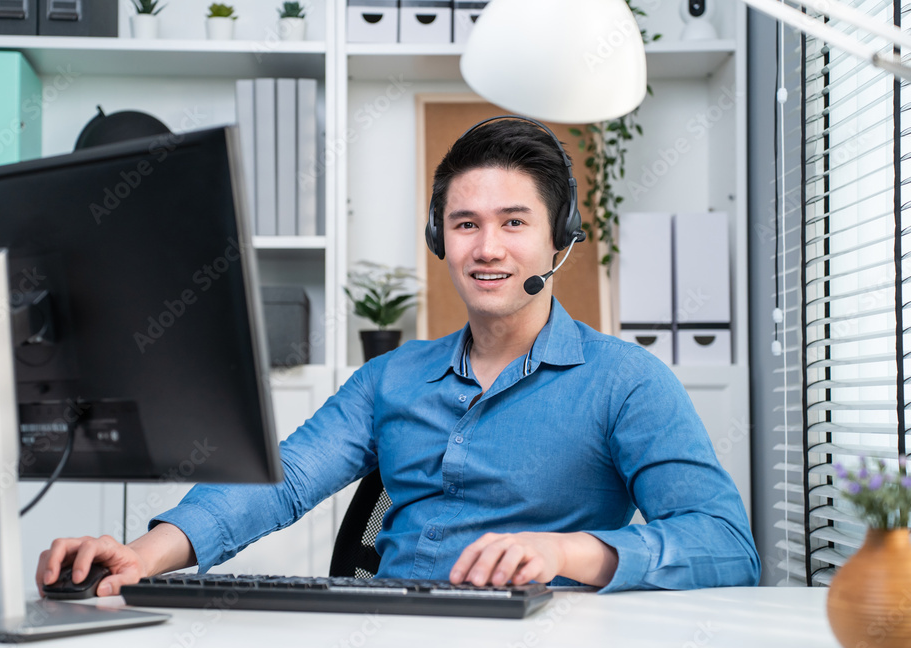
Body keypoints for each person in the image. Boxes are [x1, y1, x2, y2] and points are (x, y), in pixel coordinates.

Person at [37, 117, 760, 597]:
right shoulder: (393, 377)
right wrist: (145, 551)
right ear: (441, 239)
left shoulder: (625, 382)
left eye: (515, 223)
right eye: (465, 223)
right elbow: (281, 481)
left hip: (547, 639)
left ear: (557, 241)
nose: (488, 248)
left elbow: (726, 544)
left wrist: (570, 553)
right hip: (391, 632)